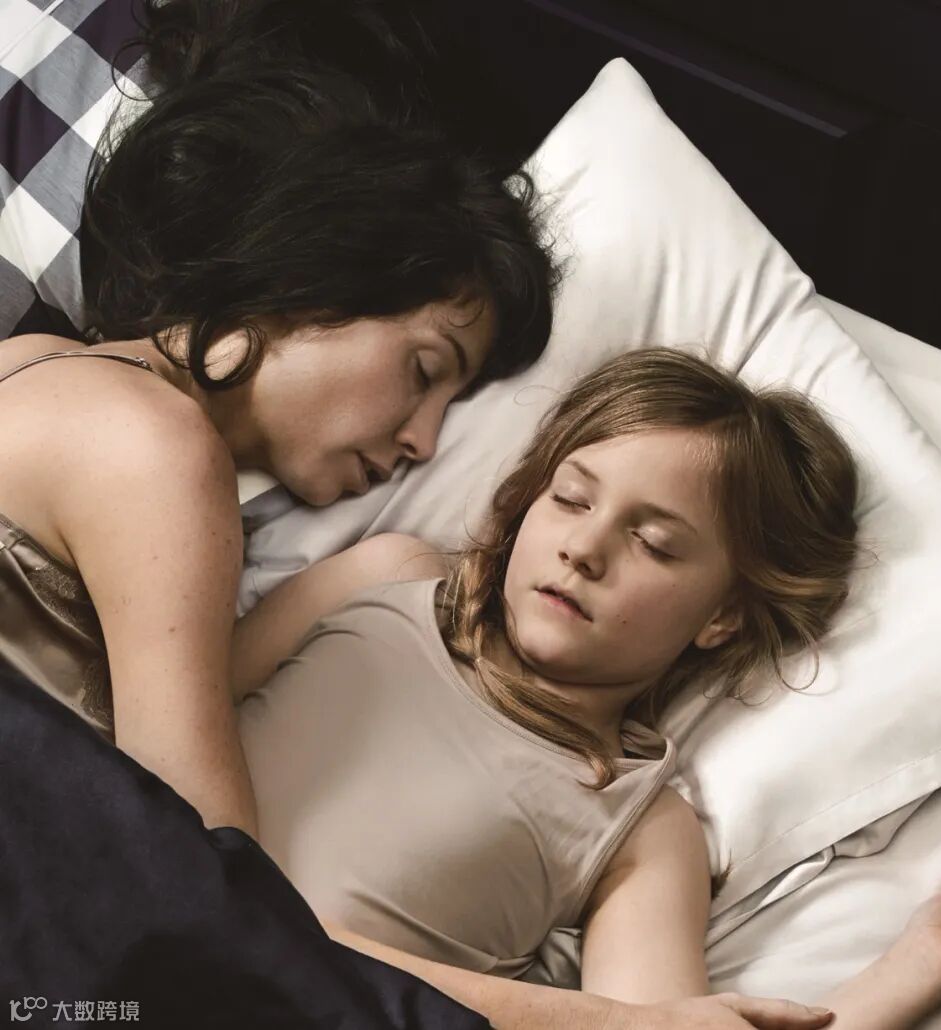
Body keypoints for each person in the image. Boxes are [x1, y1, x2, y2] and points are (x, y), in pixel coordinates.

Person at [230, 347, 941, 1027]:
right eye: (570, 499)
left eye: (655, 544)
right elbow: (170, 719)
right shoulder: (387, 579)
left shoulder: (637, 823)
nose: (584, 549)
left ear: (723, 617)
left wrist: (918, 968)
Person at [0, 5, 556, 843]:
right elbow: (197, 866)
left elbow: (116, 705)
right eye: (423, 371)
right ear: (315, 284)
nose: (426, 441)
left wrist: (351, 579)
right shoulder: (156, 451)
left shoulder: (35, 361)